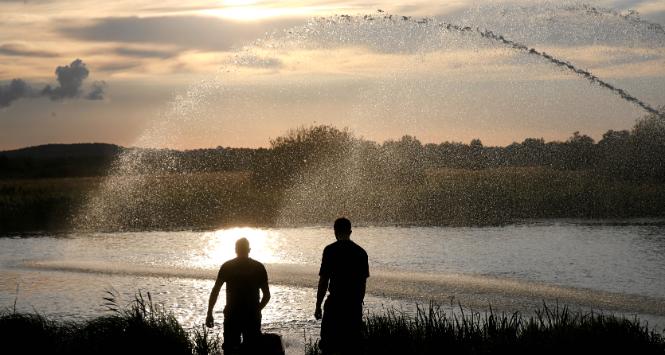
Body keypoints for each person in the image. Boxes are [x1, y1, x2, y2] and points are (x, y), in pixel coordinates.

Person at [315, 218, 369, 354]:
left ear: (335, 231)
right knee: (352, 345)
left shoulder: (330, 250)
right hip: (353, 306)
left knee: (329, 345)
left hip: (334, 304)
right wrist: (358, 303)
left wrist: (318, 306)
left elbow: (323, 281)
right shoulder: (361, 253)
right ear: (350, 232)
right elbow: (362, 284)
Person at [206, 237, 271, 353]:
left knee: (230, 350)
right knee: (252, 350)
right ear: (249, 250)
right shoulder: (258, 267)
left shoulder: (227, 266)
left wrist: (209, 312)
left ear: (235, 250)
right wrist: (257, 310)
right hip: (251, 317)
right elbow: (267, 296)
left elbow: (215, 290)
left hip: (232, 316)